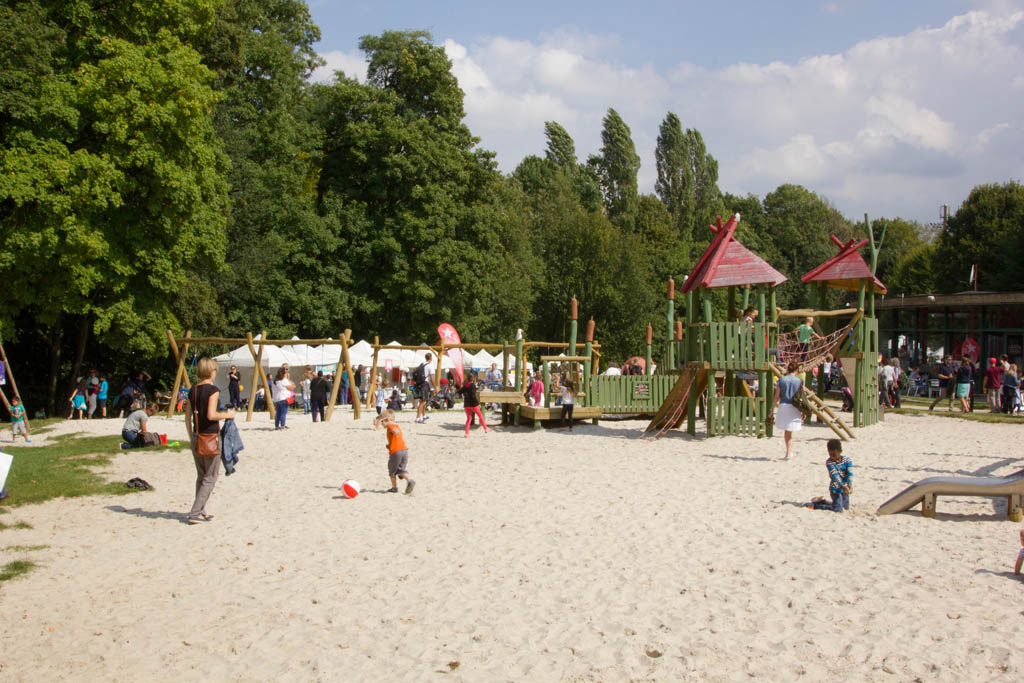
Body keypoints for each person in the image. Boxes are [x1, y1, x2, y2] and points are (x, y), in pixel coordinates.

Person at [184, 357, 235, 524]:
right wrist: (227, 415)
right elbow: (211, 415)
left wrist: (191, 436)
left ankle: (201, 509)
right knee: (210, 477)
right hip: (210, 437)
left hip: (197, 435)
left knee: (201, 476)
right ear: (212, 371)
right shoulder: (213, 390)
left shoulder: (193, 390)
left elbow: (187, 417)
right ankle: (195, 512)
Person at [373, 409, 415, 494]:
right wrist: (389, 445)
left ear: (387, 420)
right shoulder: (396, 426)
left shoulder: (390, 426)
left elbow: (394, 430)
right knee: (400, 470)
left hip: (396, 452)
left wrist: (395, 431)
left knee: (392, 471)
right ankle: (409, 480)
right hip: (404, 451)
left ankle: (394, 487)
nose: (381, 423)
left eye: (382, 421)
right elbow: (396, 439)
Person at [808, 439, 853, 512]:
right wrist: (842, 486)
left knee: (845, 507)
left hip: (845, 487)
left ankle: (823, 502)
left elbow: (850, 473)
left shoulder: (847, 460)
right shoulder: (829, 462)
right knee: (838, 509)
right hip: (835, 489)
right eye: (830, 455)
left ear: (840, 451)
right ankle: (814, 506)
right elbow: (835, 475)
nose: (833, 457)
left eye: (834, 455)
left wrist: (850, 485)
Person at [771, 360, 804, 459]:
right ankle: (788, 453)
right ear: (796, 370)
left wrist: (771, 410)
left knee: (787, 432)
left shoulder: (781, 380)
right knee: (790, 432)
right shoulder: (799, 381)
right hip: (795, 406)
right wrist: (803, 410)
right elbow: (802, 396)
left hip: (784, 406)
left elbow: (776, 396)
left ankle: (788, 453)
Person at [414, 353, 434, 424]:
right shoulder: (430, 366)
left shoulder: (422, 364)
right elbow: (431, 378)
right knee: (422, 402)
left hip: (419, 384)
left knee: (422, 401)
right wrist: (435, 386)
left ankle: (424, 415)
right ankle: (417, 418)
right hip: (425, 384)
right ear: (431, 358)